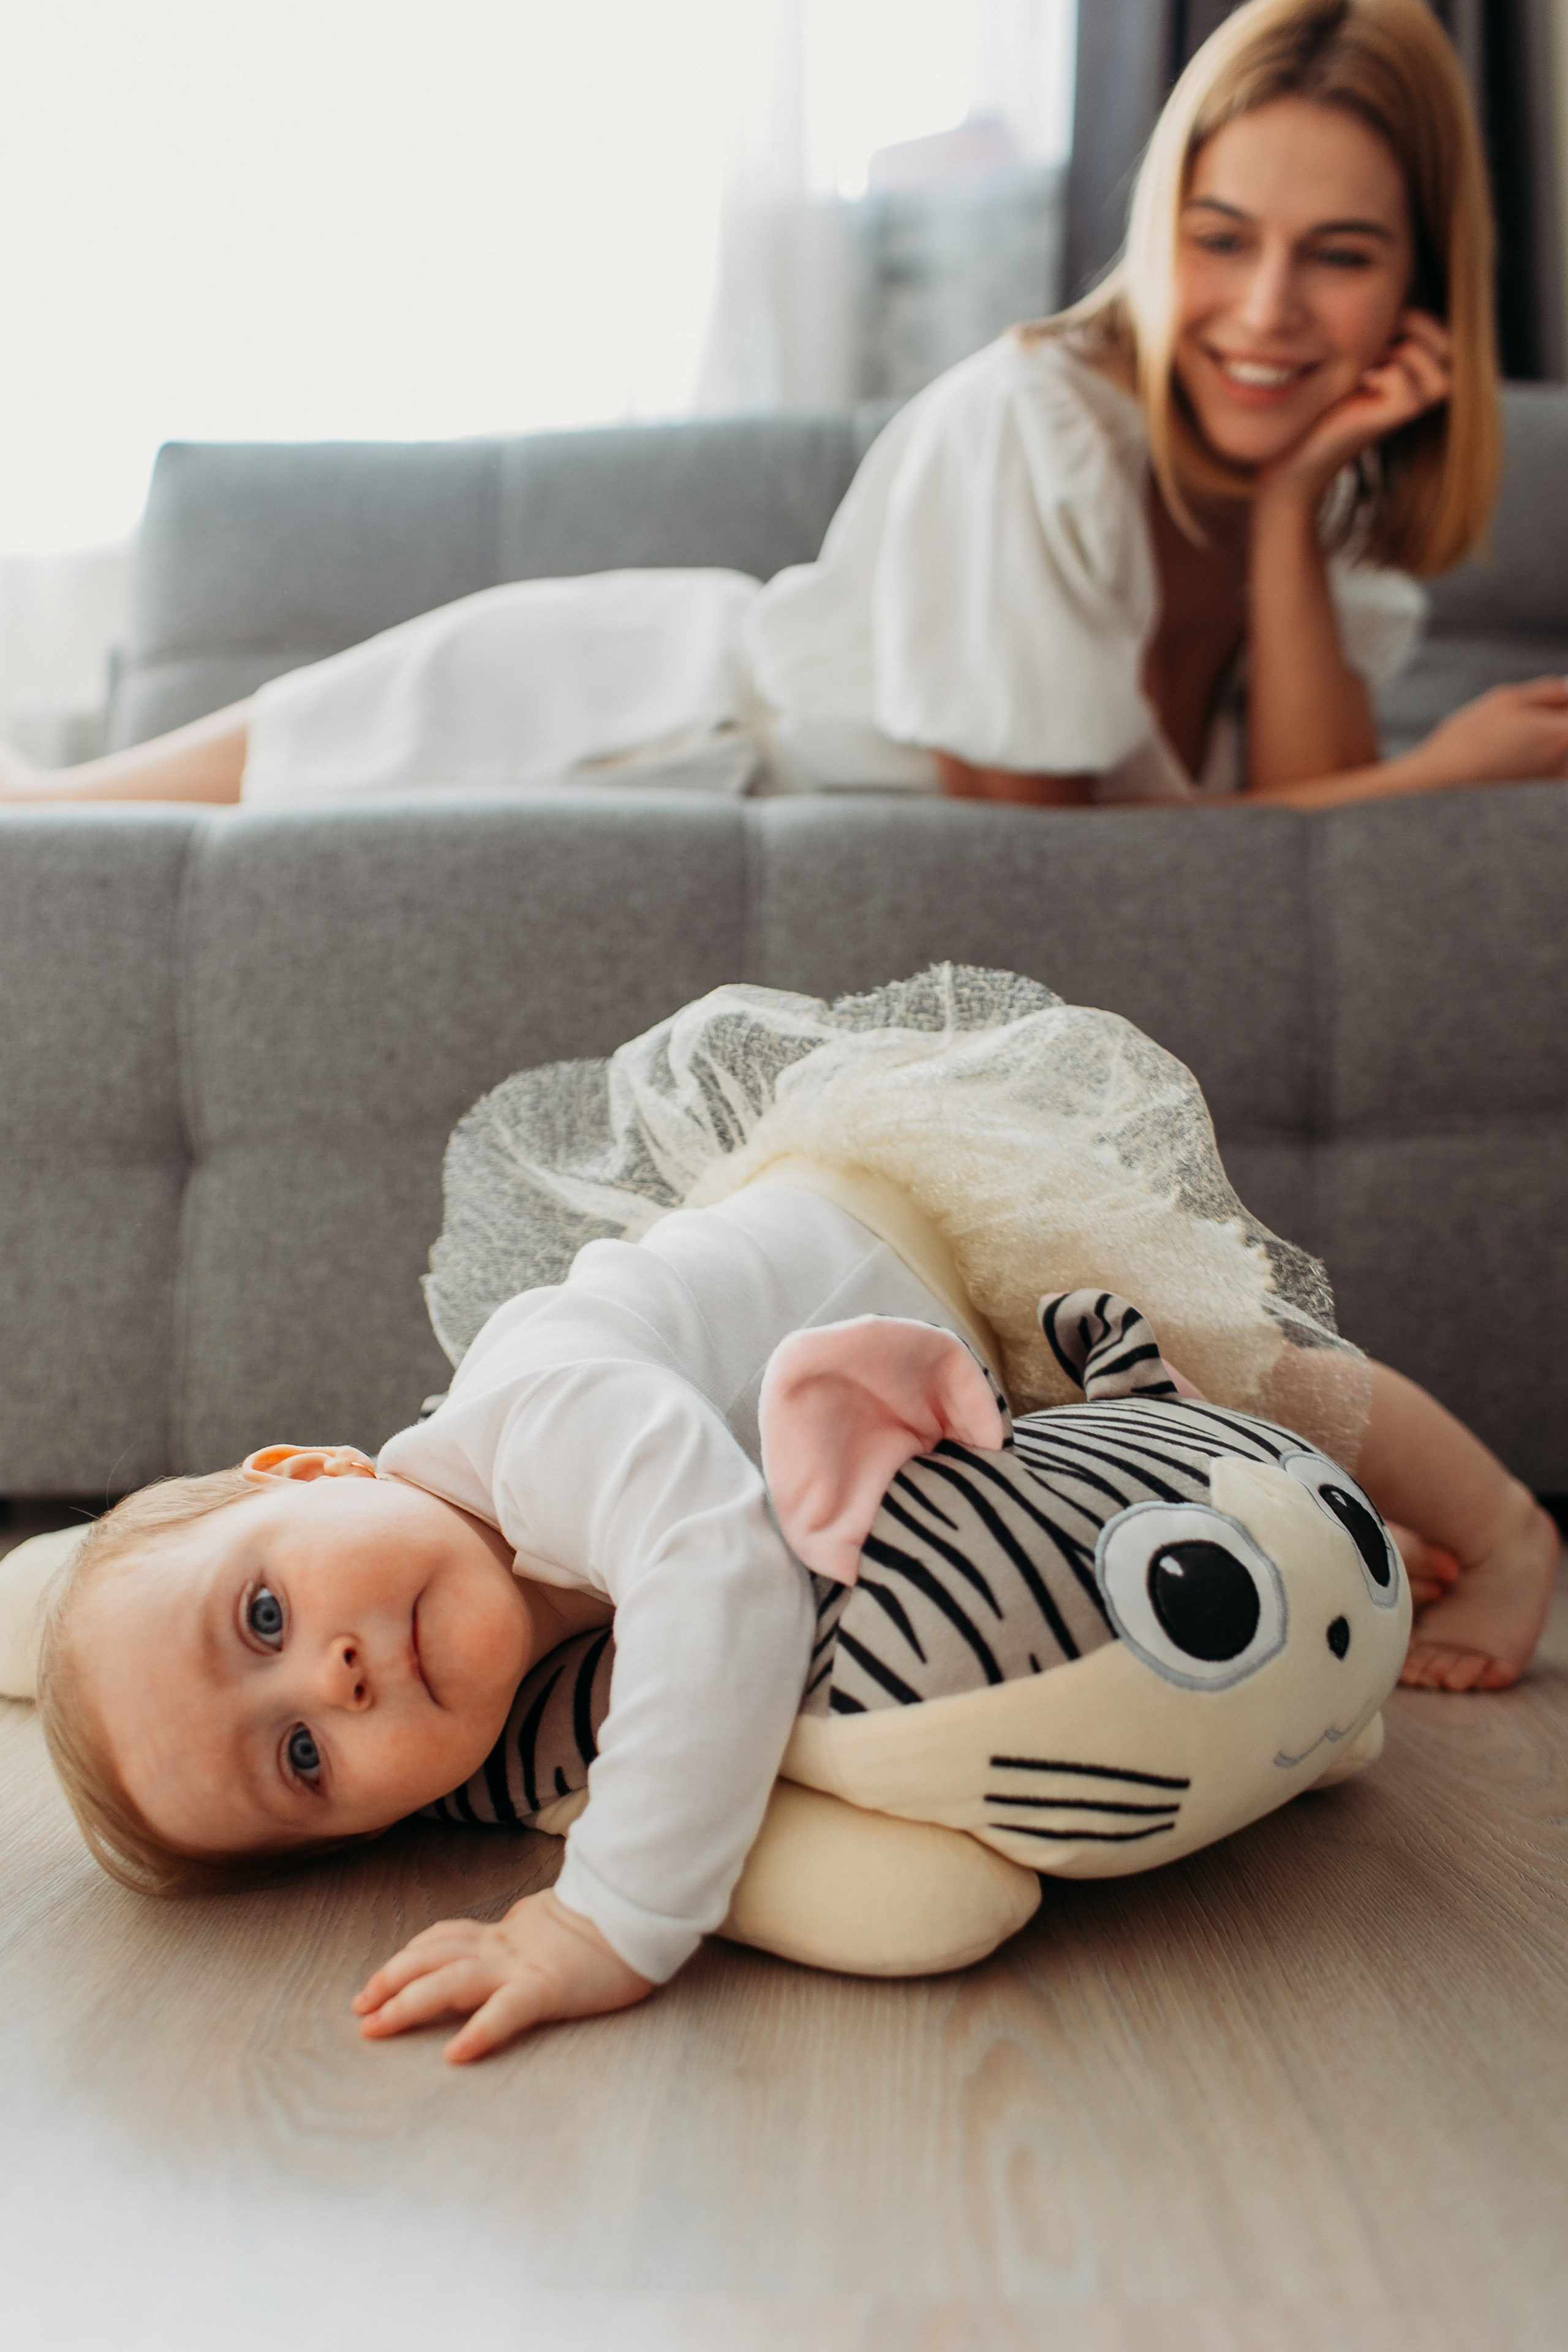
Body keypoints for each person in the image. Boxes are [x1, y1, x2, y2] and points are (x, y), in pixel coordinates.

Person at [32, 968, 1559, 2064]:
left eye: (264, 1616)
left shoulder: (536, 1418)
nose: (334, 1679)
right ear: (368, 1833)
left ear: (311, 1472)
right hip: (901, 1407)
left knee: (1258, 1374)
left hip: (920, 1252)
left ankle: (1499, 1541)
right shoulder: (492, 1687)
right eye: (300, 1757)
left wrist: (601, 1920)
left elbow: (724, 1582)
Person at [5, 0, 1567, 816]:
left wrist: (1290, 506)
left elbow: (1299, 838)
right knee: (61, 820)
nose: (1267, 310)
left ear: (1423, 281)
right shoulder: (1033, 424)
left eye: (1339, 256)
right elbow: (1068, 864)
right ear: (1156, 226)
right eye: (1216, 240)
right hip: (615, 715)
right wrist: (1428, 779)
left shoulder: (1316, 510)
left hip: (673, 724)